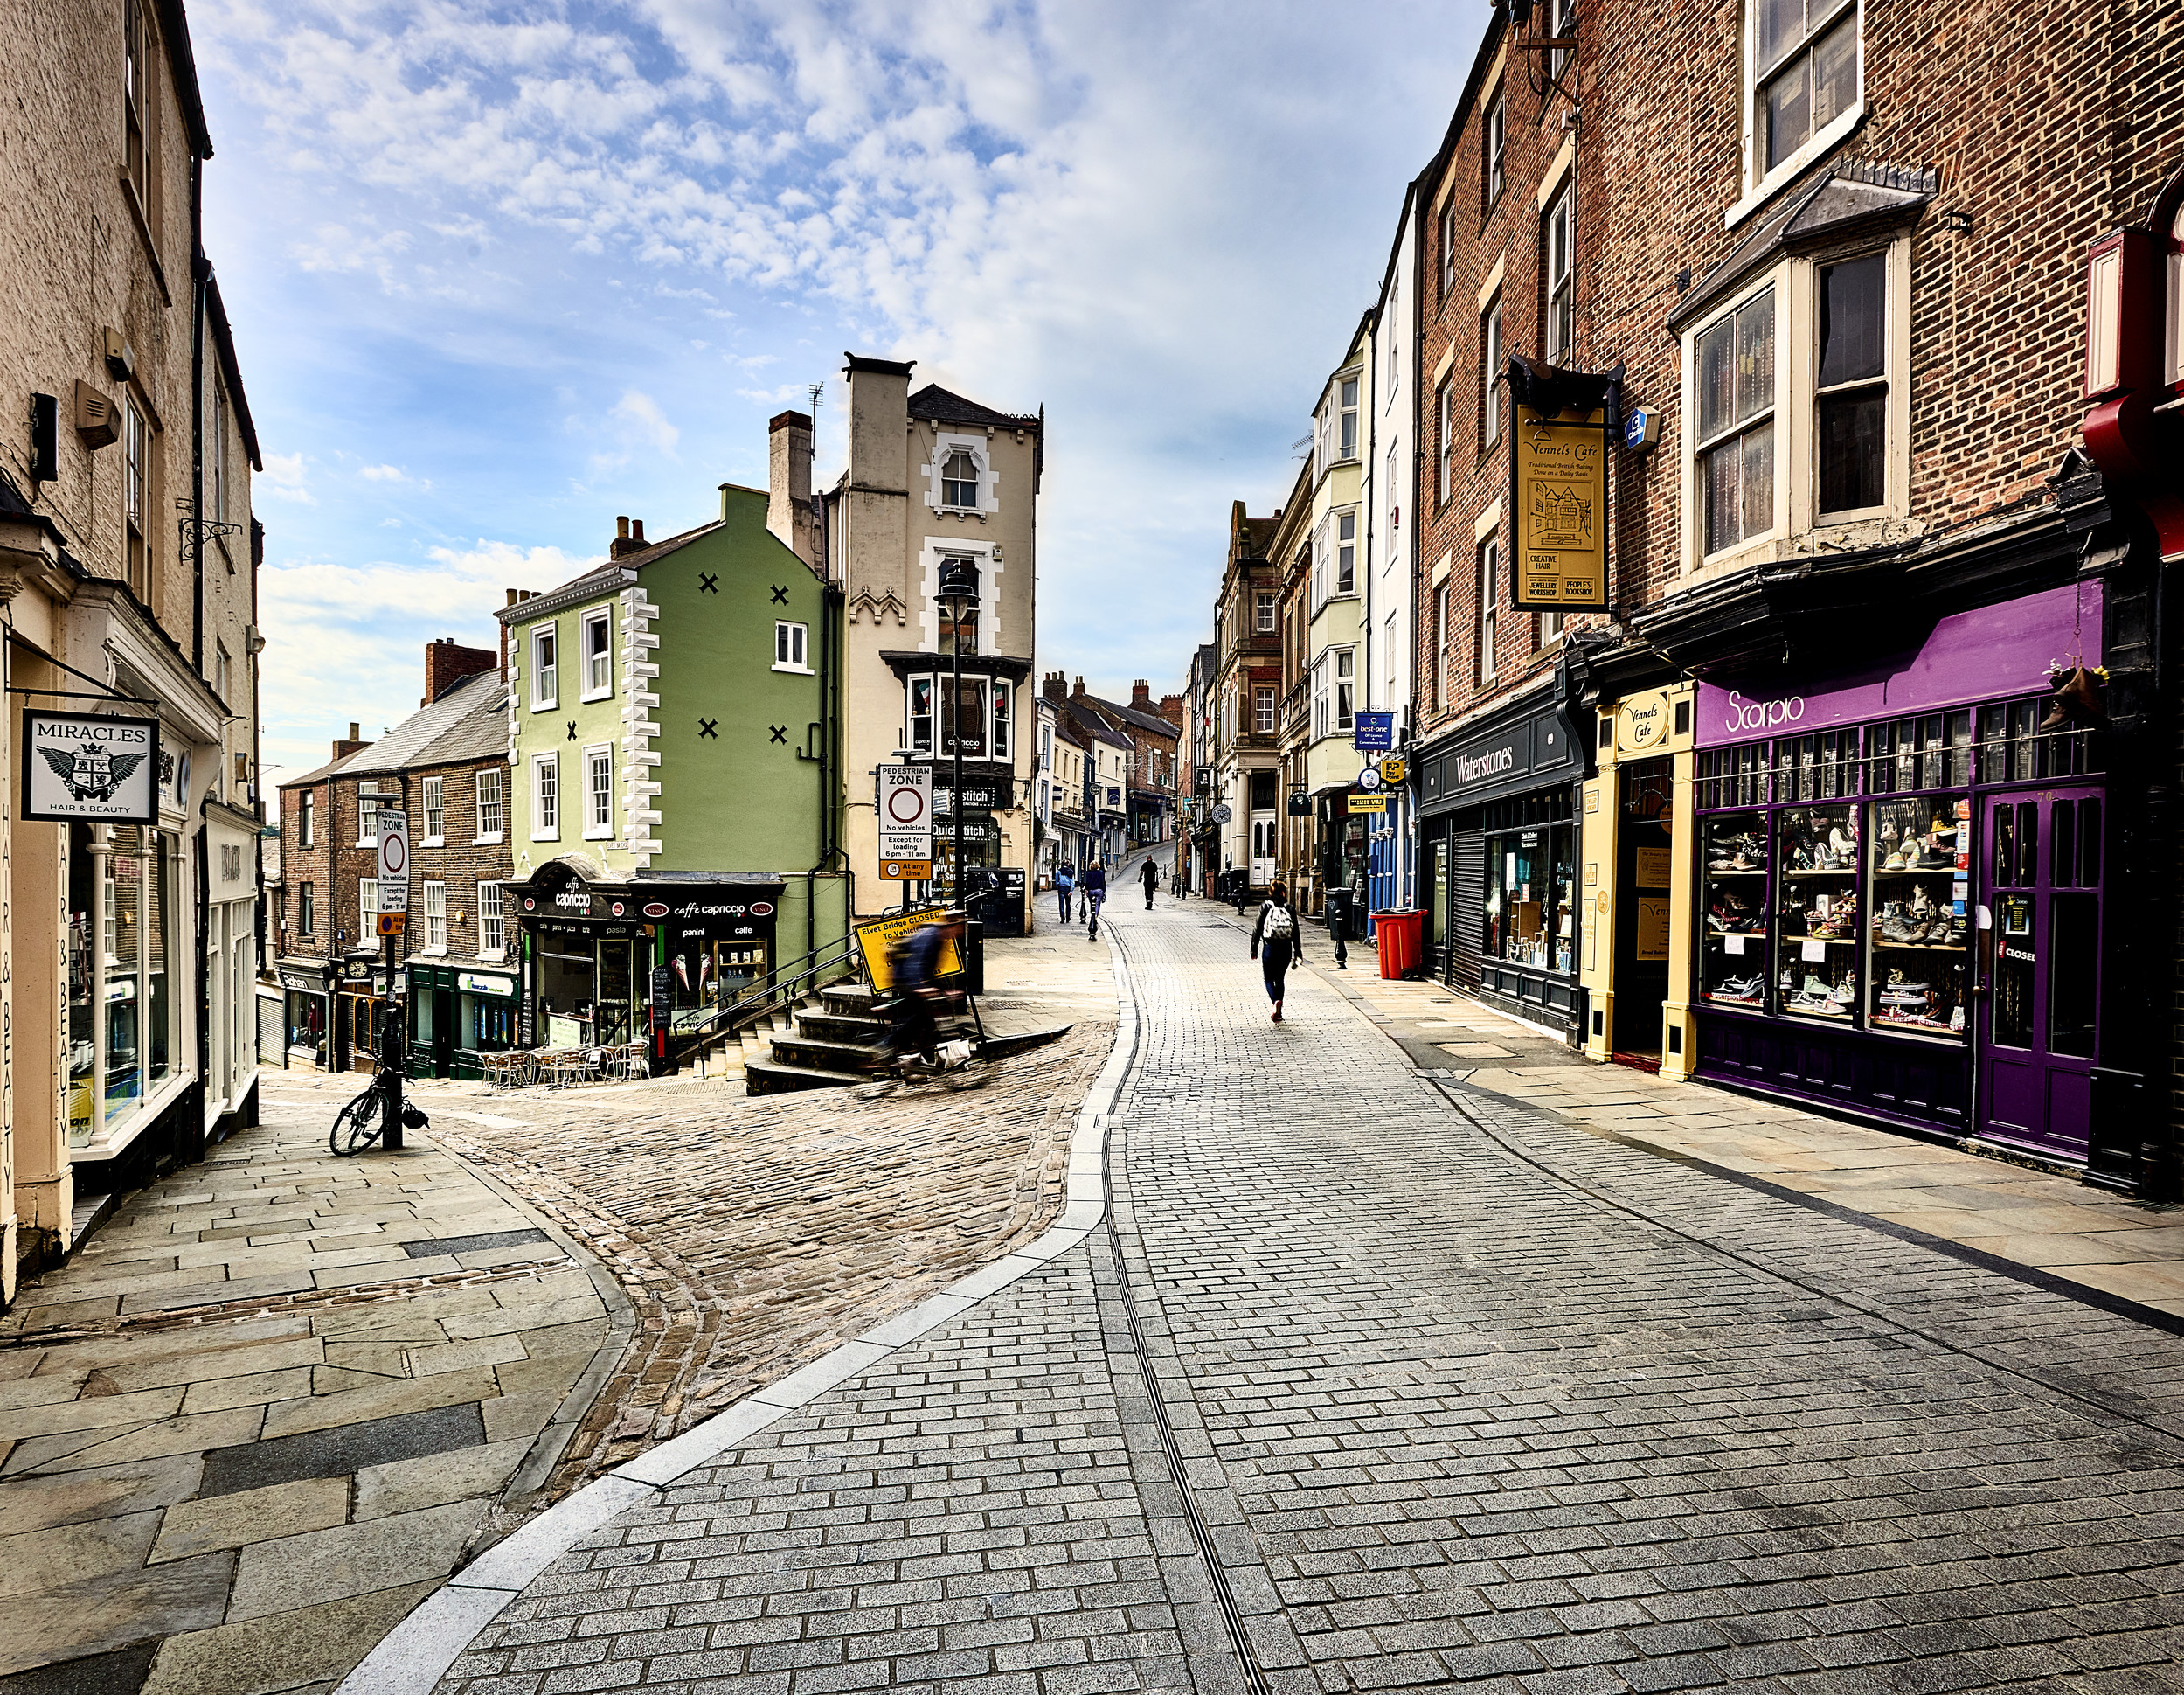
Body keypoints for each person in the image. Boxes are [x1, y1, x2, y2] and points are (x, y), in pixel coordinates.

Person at [887, 908, 966, 1063]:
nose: (962, 931)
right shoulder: (930, 937)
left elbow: (932, 972)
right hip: (905, 980)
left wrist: (946, 991)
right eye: (961, 927)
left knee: (928, 1021)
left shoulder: (939, 938)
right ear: (953, 926)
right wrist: (920, 987)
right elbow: (915, 964)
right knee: (913, 1020)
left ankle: (926, 1060)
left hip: (915, 981)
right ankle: (889, 1050)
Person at [1249, 882, 1304, 1023]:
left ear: (1271, 892)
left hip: (1270, 947)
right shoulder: (1290, 908)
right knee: (1280, 979)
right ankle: (1279, 1011)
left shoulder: (1266, 907)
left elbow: (1258, 929)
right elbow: (1296, 932)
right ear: (1283, 893)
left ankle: (1275, 1002)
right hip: (1286, 948)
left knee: (1268, 979)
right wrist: (1298, 952)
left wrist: (1253, 948)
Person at [1082, 858, 1106, 941]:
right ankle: (1095, 915)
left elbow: (1087, 883)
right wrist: (1103, 890)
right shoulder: (1101, 873)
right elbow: (1103, 882)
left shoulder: (1089, 873)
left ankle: (1093, 915)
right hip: (1099, 890)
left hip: (1091, 891)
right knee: (1097, 903)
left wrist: (1087, 890)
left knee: (1092, 903)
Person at [1056, 862, 1074, 926]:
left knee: (1061, 904)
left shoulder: (1058, 871)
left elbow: (1057, 881)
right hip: (1068, 889)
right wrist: (1071, 891)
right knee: (1068, 904)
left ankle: (1062, 918)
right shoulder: (1071, 872)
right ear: (1068, 865)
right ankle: (1068, 918)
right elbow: (1072, 882)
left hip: (1061, 888)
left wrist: (1058, 888)